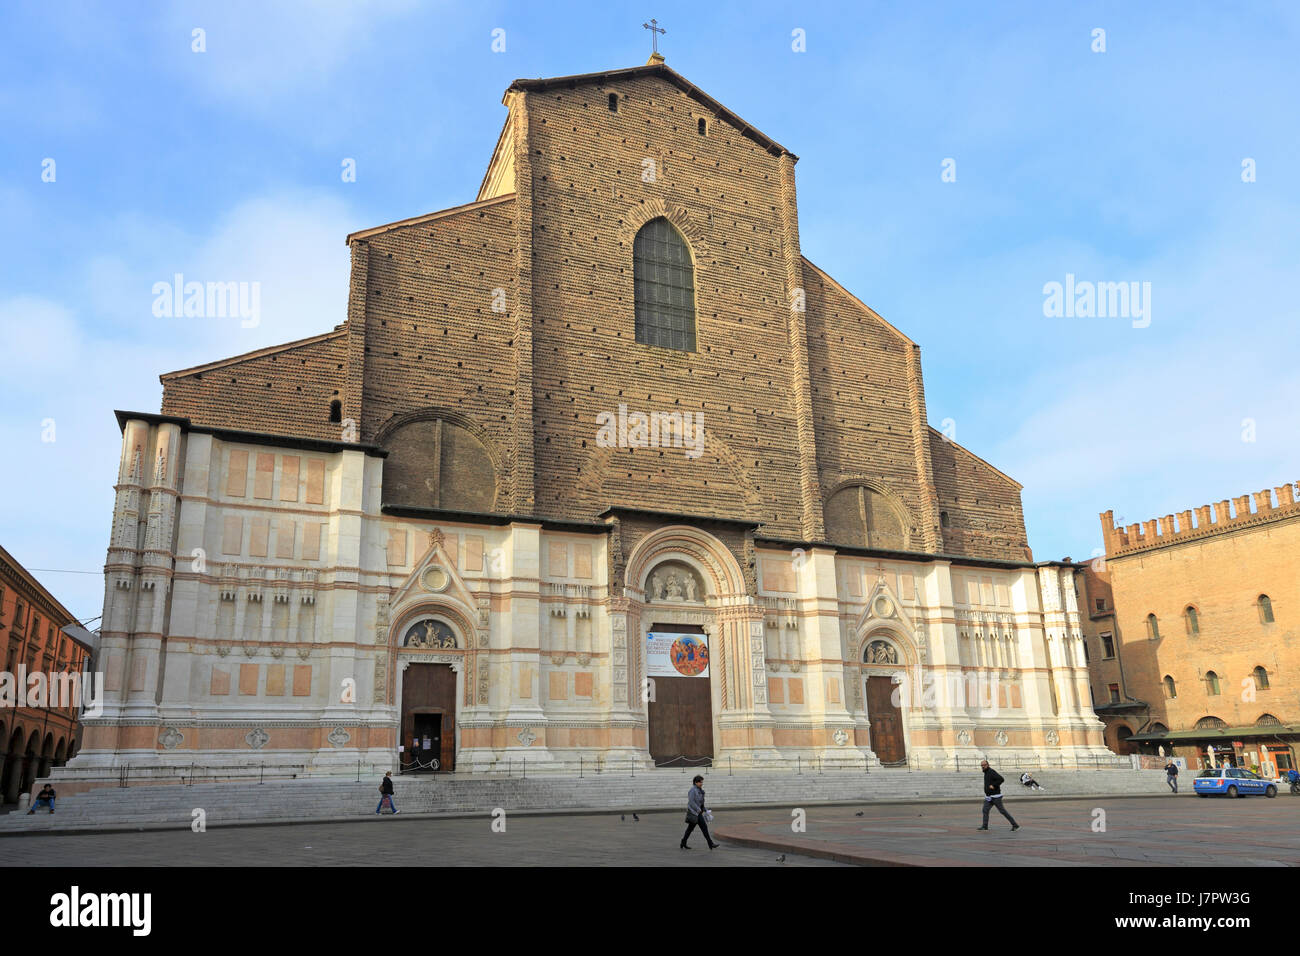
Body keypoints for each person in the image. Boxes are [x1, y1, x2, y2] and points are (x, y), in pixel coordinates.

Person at [978, 760, 1019, 831]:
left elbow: (1001, 779)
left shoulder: (991, 772)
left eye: (984, 765)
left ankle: (1015, 825)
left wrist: (994, 785)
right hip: (989, 797)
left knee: (1002, 811)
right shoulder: (986, 772)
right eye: (981, 765)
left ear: (988, 765)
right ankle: (985, 826)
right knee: (985, 810)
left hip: (996, 797)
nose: (983, 766)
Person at [680, 775, 719, 850]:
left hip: (698, 813)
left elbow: (700, 802)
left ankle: (710, 844)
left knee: (701, 828)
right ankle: (710, 844)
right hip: (694, 813)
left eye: (702, 782)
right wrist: (698, 809)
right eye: (700, 782)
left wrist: (705, 809)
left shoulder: (700, 790)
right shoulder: (692, 790)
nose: (701, 783)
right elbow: (691, 802)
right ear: (695, 782)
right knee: (692, 829)